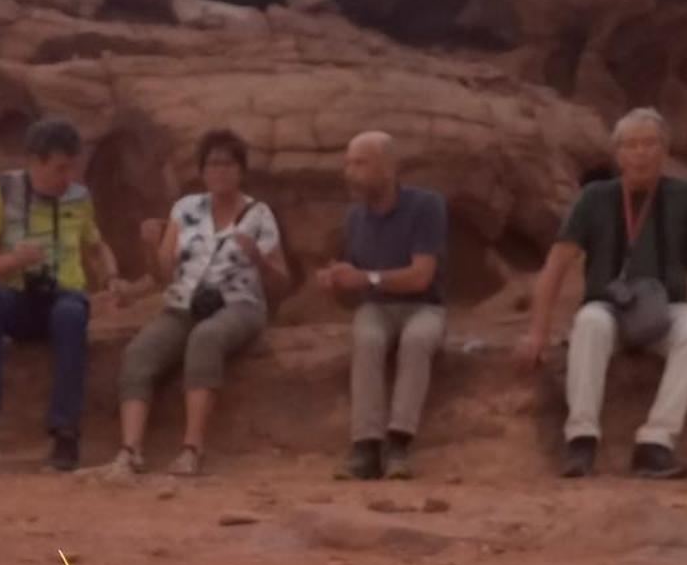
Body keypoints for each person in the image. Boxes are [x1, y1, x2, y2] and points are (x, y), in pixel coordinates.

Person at [517, 107, 687, 479]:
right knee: (589, 323)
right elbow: (555, 267)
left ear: (664, 150)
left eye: (650, 143)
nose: (641, 153)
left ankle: (656, 443)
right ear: (618, 154)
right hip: (610, 306)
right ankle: (581, 441)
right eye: (631, 145)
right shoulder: (595, 197)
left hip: (667, 307)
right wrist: (538, 331)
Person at [106, 129, 288, 479]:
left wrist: (259, 260)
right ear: (202, 171)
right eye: (212, 164)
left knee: (206, 339)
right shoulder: (186, 209)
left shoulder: (259, 215)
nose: (220, 171)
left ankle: (191, 450)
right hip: (183, 303)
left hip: (239, 305)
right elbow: (162, 274)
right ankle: (130, 451)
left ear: (241, 170)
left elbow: (282, 281)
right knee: (139, 353)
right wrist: (150, 245)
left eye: (228, 164)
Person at [0, 116, 114, 471]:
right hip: (19, 294)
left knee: (71, 313)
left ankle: (66, 432)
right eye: (60, 169)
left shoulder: (79, 197)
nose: (68, 179)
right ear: (35, 161)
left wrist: (111, 279)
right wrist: (15, 259)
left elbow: (95, 247)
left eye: (72, 169)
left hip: (64, 297)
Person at [316, 132, 448, 481]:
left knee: (418, 340)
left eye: (360, 163)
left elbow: (421, 276)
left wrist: (365, 279)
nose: (350, 172)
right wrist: (337, 282)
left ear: (388, 167)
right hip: (376, 308)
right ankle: (366, 447)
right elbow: (355, 289)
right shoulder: (355, 219)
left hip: (424, 306)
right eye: (348, 163)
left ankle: (399, 443)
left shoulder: (427, 206)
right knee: (367, 340)